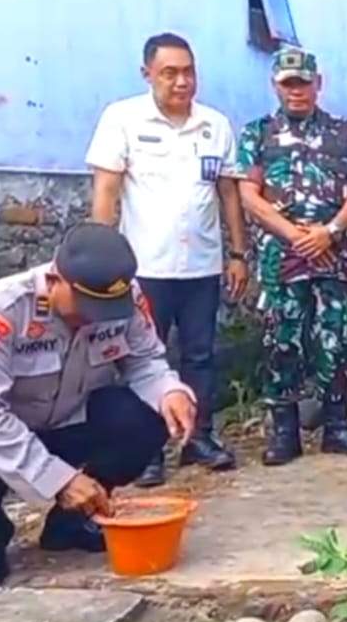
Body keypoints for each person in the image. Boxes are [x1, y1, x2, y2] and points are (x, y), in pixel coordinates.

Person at [0, 224, 197, 586]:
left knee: (146, 418)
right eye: (86, 306)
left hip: (68, 423)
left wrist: (170, 390)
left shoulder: (127, 299)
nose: (94, 316)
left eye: (105, 308)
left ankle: (71, 522)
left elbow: (145, 360)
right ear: (55, 279)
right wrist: (58, 479)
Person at [86, 32, 247, 487]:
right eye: (169, 72)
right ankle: (149, 447)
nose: (181, 81)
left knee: (200, 354)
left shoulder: (214, 125)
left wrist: (237, 253)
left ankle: (199, 437)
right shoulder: (122, 119)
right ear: (147, 74)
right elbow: (107, 191)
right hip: (144, 270)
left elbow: (228, 191)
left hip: (201, 265)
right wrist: (102, 261)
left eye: (188, 71)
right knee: (143, 356)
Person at [235, 47, 347, 465]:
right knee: (283, 340)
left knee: (336, 337)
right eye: (288, 84)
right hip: (283, 257)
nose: (297, 91)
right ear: (276, 85)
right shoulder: (257, 133)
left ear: (319, 83)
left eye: (304, 83)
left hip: (333, 253)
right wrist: (293, 235)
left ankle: (337, 426)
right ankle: (284, 433)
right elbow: (248, 192)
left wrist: (329, 232)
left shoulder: (344, 132)